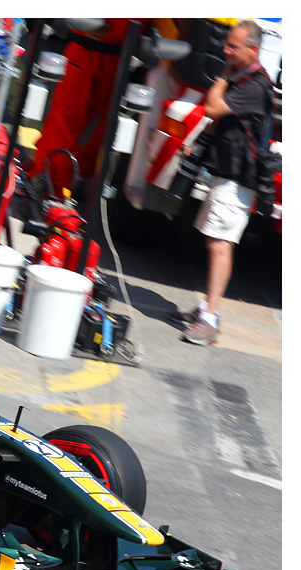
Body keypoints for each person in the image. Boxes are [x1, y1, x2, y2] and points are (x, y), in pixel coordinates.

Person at [171, 20, 274, 345]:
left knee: (220, 245)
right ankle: (206, 309)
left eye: (233, 47)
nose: (225, 50)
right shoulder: (246, 79)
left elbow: (212, 106)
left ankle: (211, 318)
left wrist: (223, 75)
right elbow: (222, 121)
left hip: (238, 180)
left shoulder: (254, 84)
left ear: (253, 50)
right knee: (214, 240)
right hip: (226, 173)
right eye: (226, 44)